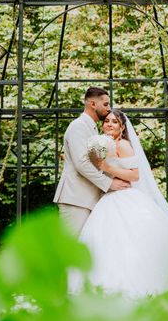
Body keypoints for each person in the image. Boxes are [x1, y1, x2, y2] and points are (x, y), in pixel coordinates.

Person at [69, 109, 168, 298]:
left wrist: (108, 167)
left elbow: (134, 174)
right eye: (107, 121)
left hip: (124, 196)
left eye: (114, 122)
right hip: (107, 197)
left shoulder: (123, 145)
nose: (109, 124)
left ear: (122, 127)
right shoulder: (100, 144)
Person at [53, 87, 131, 236]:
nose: (108, 109)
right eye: (106, 104)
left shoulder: (93, 128)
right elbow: (81, 163)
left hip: (89, 199)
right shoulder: (78, 126)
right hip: (76, 199)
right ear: (93, 104)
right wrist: (109, 184)